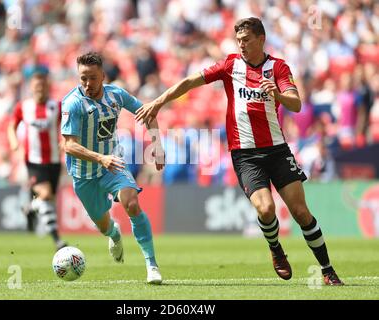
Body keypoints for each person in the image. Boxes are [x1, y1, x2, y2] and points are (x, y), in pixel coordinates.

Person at [136, 17, 344, 286]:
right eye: (239, 41)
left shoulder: (278, 68)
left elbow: (296, 104)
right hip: (245, 155)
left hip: (277, 151)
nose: (242, 45)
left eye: (246, 40)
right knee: (266, 209)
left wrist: (277, 95)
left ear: (261, 39)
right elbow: (190, 81)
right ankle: (276, 249)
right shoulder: (230, 65)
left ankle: (327, 270)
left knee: (302, 213)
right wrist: (159, 101)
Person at [61, 52, 165, 284]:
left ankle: (152, 265)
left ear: (103, 76)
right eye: (83, 78)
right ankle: (113, 234)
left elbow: (148, 114)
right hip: (84, 175)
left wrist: (157, 145)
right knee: (103, 225)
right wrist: (100, 158)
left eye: (93, 78)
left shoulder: (116, 95)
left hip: (113, 165)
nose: (88, 84)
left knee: (132, 203)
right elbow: (69, 146)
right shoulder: (72, 103)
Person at [7, 66, 67, 251]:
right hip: (33, 160)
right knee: (46, 194)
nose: (39, 90)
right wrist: (13, 142)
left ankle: (29, 208)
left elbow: (66, 126)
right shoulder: (23, 107)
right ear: (31, 88)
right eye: (36, 87)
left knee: (49, 200)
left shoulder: (56, 106)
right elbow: (12, 126)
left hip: (54, 161)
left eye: (42, 87)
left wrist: (65, 139)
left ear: (47, 87)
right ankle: (57, 240)